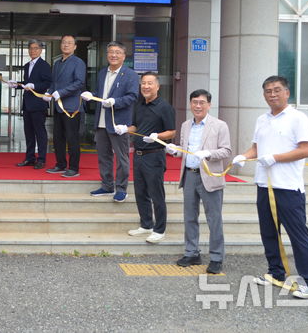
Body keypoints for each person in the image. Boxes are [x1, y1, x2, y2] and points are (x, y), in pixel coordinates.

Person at [233, 75, 308, 299]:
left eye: (277, 90)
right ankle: (276, 273)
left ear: (287, 93)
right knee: (269, 233)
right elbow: (256, 148)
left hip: (288, 187)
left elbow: (305, 150)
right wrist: (243, 156)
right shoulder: (262, 119)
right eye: (268, 91)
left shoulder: (298, 118)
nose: (272, 94)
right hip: (264, 184)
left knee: (298, 235)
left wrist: (276, 158)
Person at [165, 89, 231, 274]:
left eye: (202, 102)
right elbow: (185, 151)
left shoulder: (219, 125)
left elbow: (226, 151)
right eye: (194, 102)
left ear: (209, 105)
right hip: (190, 175)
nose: (198, 106)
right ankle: (192, 252)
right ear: (190, 104)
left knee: (214, 218)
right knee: (189, 217)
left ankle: (216, 257)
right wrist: (173, 149)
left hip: (210, 176)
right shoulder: (186, 125)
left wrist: (209, 153)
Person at [118, 72, 175, 244]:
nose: (146, 86)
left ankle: (160, 229)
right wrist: (126, 129)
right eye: (143, 83)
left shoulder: (165, 107)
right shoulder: (139, 104)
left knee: (156, 193)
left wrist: (157, 135)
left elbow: (172, 131)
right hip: (138, 154)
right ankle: (146, 224)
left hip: (154, 155)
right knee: (140, 192)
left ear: (157, 86)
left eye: (150, 83)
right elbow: (136, 126)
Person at [81, 41, 139, 202]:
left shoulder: (130, 74)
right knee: (103, 156)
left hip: (118, 123)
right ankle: (107, 186)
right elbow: (101, 94)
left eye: (117, 52)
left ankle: (121, 188)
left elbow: (133, 96)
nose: (113, 55)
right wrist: (90, 95)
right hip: (100, 122)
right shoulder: (101, 73)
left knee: (122, 157)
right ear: (107, 55)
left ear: (123, 56)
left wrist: (116, 101)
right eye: (110, 52)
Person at [43, 35, 86, 178]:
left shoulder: (78, 62)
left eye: (69, 43)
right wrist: (48, 93)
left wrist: (60, 93)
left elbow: (79, 83)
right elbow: (54, 83)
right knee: (58, 137)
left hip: (72, 107)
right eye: (64, 42)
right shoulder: (57, 63)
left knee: (72, 138)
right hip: (58, 107)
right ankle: (60, 164)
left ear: (75, 47)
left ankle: (74, 168)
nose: (66, 45)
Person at [9, 40, 52, 169]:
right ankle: (30, 158)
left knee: (40, 133)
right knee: (28, 133)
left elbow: (48, 83)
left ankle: (42, 159)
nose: (32, 51)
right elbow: (27, 83)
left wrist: (34, 86)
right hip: (27, 104)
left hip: (38, 104)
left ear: (40, 50)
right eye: (30, 48)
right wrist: (17, 84)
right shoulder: (27, 65)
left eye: (35, 48)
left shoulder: (44, 65)